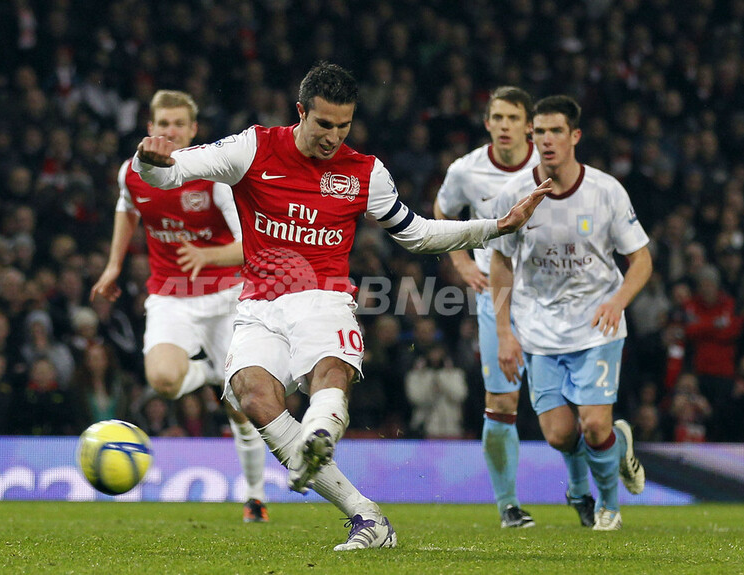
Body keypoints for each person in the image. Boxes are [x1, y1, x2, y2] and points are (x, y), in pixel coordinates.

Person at [134, 62, 549, 550]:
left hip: (323, 297)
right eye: (324, 124)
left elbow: (416, 234)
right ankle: (366, 514)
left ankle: (319, 433)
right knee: (251, 394)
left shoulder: (365, 172)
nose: (333, 137)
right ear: (301, 112)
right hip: (258, 304)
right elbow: (170, 172)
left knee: (329, 369)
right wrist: (149, 160)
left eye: (344, 125)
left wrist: (495, 227)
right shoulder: (253, 148)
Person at [90, 90, 269, 523]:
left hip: (226, 297)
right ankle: (211, 374)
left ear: (193, 131)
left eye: (178, 124)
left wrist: (208, 255)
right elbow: (127, 207)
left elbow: (253, 244)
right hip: (170, 295)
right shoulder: (132, 172)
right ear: (150, 128)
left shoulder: (215, 177)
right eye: (163, 123)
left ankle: (255, 497)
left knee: (242, 406)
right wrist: (113, 265)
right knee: (164, 380)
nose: (170, 131)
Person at [491, 95, 651, 531]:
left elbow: (641, 260)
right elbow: (500, 263)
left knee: (594, 425)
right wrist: (504, 332)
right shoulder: (514, 194)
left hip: (597, 327)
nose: (546, 140)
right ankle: (590, 477)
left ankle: (609, 507)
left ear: (575, 135)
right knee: (560, 434)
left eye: (556, 131)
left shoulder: (605, 191)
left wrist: (618, 301)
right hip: (540, 331)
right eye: (539, 131)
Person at [433, 86, 539, 528]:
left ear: (529, 126)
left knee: (568, 405)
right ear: (487, 123)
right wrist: (460, 262)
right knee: (501, 400)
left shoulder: (548, 165)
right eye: (498, 117)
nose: (504, 126)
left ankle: (583, 491)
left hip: (550, 296)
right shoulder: (466, 170)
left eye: (513, 118)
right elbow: (442, 211)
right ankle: (508, 505)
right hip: (497, 296)